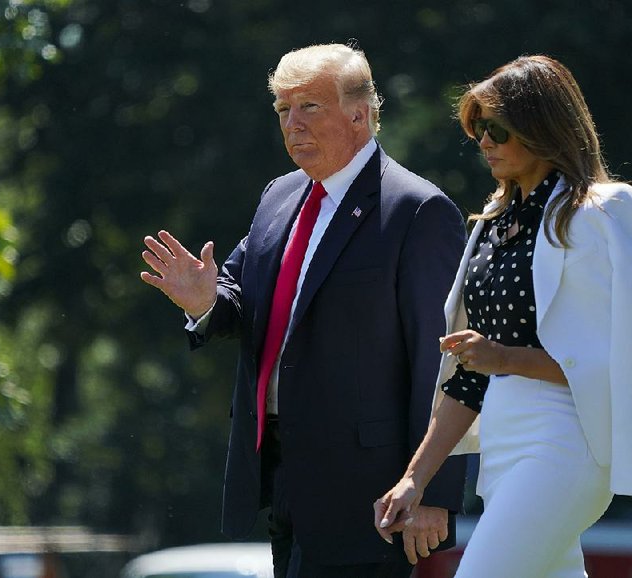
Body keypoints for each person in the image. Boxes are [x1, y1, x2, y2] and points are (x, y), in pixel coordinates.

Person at [140, 43, 467, 578]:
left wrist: (434, 489)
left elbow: (444, 363)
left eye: (309, 107)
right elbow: (240, 303)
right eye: (282, 109)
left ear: (359, 114)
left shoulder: (417, 210)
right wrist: (205, 303)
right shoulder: (279, 196)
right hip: (282, 477)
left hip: (371, 492)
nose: (292, 123)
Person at [373, 55, 632, 577]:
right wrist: (415, 478)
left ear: (542, 128)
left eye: (497, 129)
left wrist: (504, 357)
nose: (484, 142)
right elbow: (466, 380)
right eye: (479, 129)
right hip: (502, 447)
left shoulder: (600, 211)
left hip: (569, 441)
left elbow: (621, 361)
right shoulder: (489, 226)